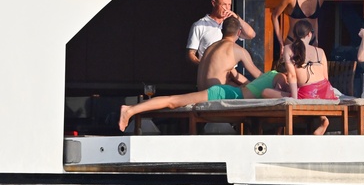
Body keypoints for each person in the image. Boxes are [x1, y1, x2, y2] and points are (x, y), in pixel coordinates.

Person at [118, 62, 290, 132]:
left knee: (173, 101)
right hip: (225, 93)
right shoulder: (280, 77)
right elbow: (278, 95)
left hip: (229, 92)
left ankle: (131, 110)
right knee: (173, 102)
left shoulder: (271, 74)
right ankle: (130, 110)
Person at [283, 19, 337, 135]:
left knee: (267, 92)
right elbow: (326, 78)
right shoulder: (320, 51)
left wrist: (295, 100)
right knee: (314, 94)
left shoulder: (288, 48)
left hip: (308, 92)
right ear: (309, 34)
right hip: (326, 91)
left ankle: (322, 119)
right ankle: (323, 118)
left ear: (294, 34)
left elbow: (292, 76)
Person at [186, 0, 256, 65]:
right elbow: (191, 54)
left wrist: (237, 18)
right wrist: (204, 66)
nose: (227, 8)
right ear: (214, 3)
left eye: (229, 5)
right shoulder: (200, 25)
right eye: (224, 4)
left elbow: (251, 35)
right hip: (210, 69)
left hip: (230, 70)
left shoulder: (232, 23)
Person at [196, 16, 261, 90]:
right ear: (239, 32)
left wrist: (249, 84)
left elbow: (234, 74)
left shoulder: (210, 48)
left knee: (238, 85)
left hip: (201, 93)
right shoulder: (238, 50)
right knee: (254, 90)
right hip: (216, 94)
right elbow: (259, 75)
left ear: (222, 31)